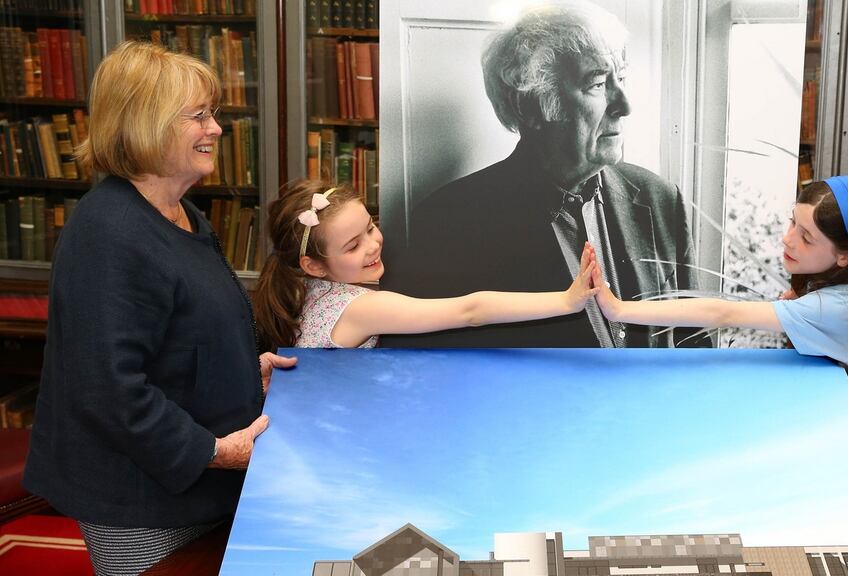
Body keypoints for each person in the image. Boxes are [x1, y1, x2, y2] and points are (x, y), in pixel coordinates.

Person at [21, 41, 296, 576]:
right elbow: (107, 389)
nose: (216, 129)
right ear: (146, 124)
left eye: (212, 113)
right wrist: (216, 453)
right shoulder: (109, 232)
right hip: (141, 501)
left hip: (199, 489)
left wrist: (244, 370)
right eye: (199, 116)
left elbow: (186, 333)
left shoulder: (185, 212)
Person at [381, 0, 698, 348]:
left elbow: (695, 344)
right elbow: (427, 366)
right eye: (597, 84)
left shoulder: (661, 199)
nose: (625, 105)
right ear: (528, 106)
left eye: (620, 79)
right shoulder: (449, 223)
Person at [590, 176, 848, 490]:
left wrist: (618, 309)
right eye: (792, 223)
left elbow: (722, 312)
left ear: (846, 256)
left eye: (807, 238)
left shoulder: (836, 307)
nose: (788, 239)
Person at [253, 180, 599, 350]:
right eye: (353, 245)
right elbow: (471, 311)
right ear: (313, 265)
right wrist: (567, 301)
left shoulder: (304, 286)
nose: (373, 244)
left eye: (371, 227)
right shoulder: (361, 309)